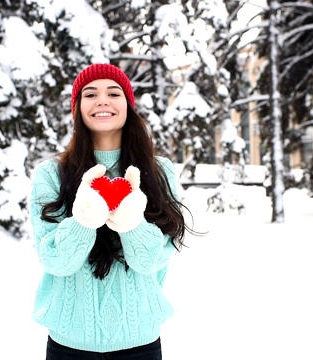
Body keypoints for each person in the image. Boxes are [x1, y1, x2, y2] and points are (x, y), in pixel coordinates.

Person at [28, 63, 195, 359]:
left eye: (113, 93)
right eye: (90, 94)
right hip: (69, 346)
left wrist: (133, 225)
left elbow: (151, 262)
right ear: (77, 108)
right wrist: (82, 222)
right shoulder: (50, 175)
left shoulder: (160, 172)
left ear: (128, 106)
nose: (102, 100)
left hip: (140, 345)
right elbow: (54, 261)